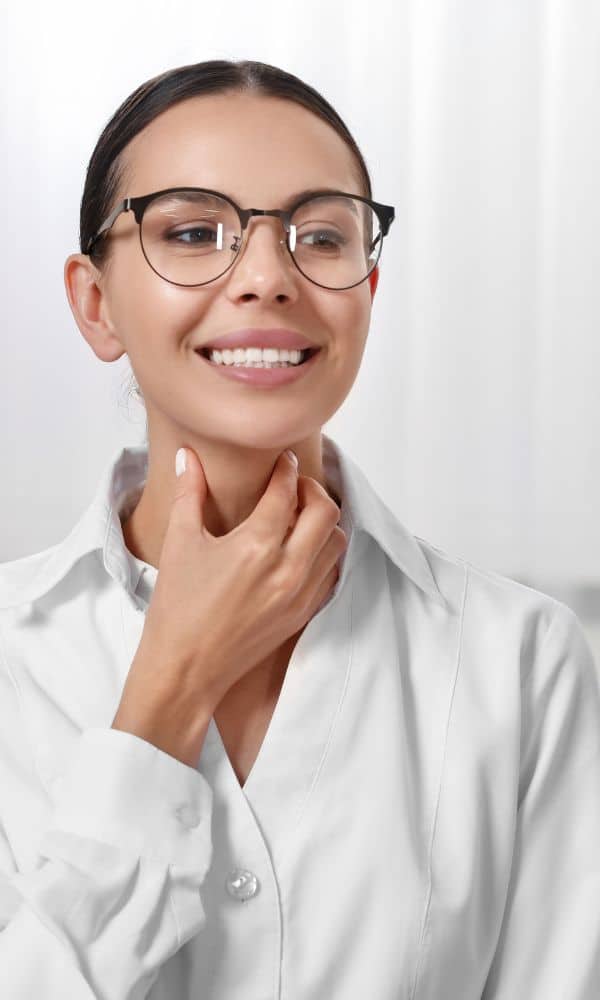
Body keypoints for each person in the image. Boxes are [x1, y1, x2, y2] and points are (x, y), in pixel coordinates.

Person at [0, 58, 598, 1000]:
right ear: (95, 302)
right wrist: (170, 689)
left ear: (369, 290)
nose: (269, 278)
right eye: (194, 233)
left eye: (321, 236)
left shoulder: (525, 665)